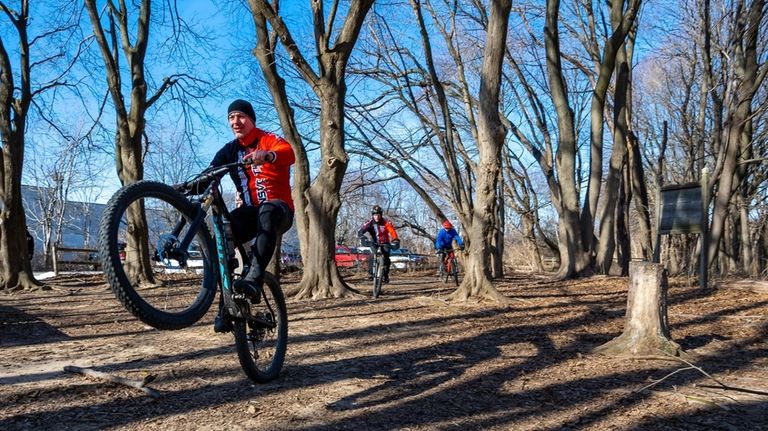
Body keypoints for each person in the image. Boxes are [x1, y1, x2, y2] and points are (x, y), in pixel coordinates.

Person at [178, 99, 295, 332]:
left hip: (279, 210)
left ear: (252, 120)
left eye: (240, 116)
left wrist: (267, 156)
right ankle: (227, 306)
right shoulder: (230, 150)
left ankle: (254, 279)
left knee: (267, 210)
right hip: (249, 214)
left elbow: (288, 153)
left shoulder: (268, 139)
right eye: (231, 117)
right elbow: (209, 176)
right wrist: (181, 188)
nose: (235, 121)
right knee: (222, 235)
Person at [357, 205, 399, 283]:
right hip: (374, 243)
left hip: (385, 243)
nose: (377, 217)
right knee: (372, 255)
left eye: (378, 215)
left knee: (386, 258)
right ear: (373, 215)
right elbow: (361, 231)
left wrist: (395, 240)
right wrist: (363, 237)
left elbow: (392, 232)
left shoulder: (386, 222)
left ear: (381, 215)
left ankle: (385, 275)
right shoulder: (369, 223)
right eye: (375, 215)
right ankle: (370, 274)